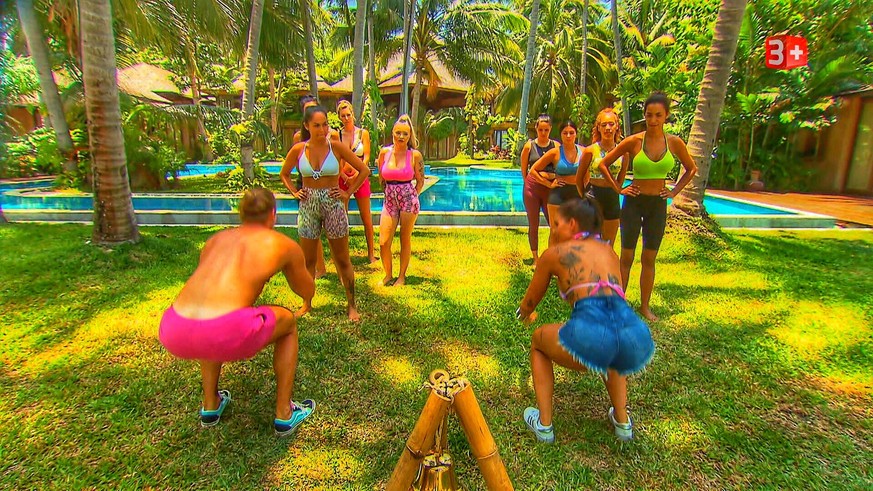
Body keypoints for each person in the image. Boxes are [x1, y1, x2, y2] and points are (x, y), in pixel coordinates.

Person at [158, 188, 317, 436]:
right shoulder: (282, 245)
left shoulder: (215, 240)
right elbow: (306, 289)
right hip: (224, 330)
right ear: (273, 214)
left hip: (174, 326)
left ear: (241, 214)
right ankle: (285, 413)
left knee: (211, 321)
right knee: (287, 322)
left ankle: (211, 404)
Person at [517, 196, 655, 443]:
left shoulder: (554, 254)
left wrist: (524, 313)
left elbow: (530, 301)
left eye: (557, 224)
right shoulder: (609, 251)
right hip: (630, 338)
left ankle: (544, 425)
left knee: (538, 341)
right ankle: (622, 422)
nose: (554, 229)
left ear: (572, 224)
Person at [595, 93, 698, 321]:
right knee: (626, 257)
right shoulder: (634, 141)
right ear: (644, 115)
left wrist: (674, 192)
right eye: (649, 115)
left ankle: (644, 306)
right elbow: (603, 164)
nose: (653, 120)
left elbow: (691, 169)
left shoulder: (674, 143)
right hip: (634, 202)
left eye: (658, 115)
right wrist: (619, 188)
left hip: (657, 205)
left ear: (666, 116)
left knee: (649, 258)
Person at [280, 105, 370, 321]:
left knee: (343, 259)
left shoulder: (336, 147)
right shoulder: (299, 149)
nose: (322, 130)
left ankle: (352, 306)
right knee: (308, 261)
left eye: (325, 125)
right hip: (308, 206)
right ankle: (307, 303)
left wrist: (347, 192)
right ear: (307, 126)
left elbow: (364, 170)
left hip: (333, 205)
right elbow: (284, 174)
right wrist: (294, 192)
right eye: (316, 126)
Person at [291, 95, 339, 278]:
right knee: (312, 230)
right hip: (306, 185)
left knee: (335, 230)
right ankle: (320, 267)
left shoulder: (332, 136)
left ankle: (339, 268)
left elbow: (340, 161)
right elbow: (293, 165)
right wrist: (296, 190)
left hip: (330, 185)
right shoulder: (298, 139)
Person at [378, 114, 425, 286]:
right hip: (389, 199)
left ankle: (401, 276)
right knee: (384, 242)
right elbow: (381, 178)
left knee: (405, 238)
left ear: (409, 135)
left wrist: (412, 197)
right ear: (393, 132)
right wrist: (389, 193)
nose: (401, 136)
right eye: (398, 132)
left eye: (405, 133)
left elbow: (420, 181)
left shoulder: (414, 155)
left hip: (408, 199)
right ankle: (388, 274)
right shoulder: (385, 153)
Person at [576, 109, 630, 246]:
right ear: (598, 128)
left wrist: (617, 189)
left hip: (612, 198)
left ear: (617, 126)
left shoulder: (623, 153)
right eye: (604, 125)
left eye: (611, 124)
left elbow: (620, 180)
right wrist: (584, 196)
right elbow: (579, 178)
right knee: (590, 244)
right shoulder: (590, 151)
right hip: (592, 196)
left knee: (608, 244)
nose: (608, 128)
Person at [529, 120, 585, 247]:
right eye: (565, 133)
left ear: (576, 134)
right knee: (555, 231)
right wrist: (548, 184)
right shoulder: (555, 152)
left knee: (576, 231)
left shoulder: (584, 151)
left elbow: (588, 172)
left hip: (577, 194)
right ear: (561, 135)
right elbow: (533, 170)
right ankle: (552, 258)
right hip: (558, 195)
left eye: (571, 132)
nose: (568, 136)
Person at [336, 100, 376, 264]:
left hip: (360, 178)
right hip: (342, 178)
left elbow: (366, 156)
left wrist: (358, 175)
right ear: (339, 117)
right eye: (343, 116)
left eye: (348, 115)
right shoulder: (337, 135)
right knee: (342, 218)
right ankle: (344, 255)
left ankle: (371, 254)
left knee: (366, 218)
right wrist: (344, 176)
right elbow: (336, 159)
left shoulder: (363, 133)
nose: (346, 118)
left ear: (353, 114)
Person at [519, 114, 557, 265]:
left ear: (550, 129)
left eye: (546, 130)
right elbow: (524, 171)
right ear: (536, 129)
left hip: (550, 189)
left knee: (554, 224)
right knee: (533, 224)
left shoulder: (555, 146)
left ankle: (552, 255)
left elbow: (560, 169)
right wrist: (532, 182)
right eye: (540, 129)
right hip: (532, 190)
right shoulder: (529, 146)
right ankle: (536, 258)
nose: (543, 133)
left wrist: (549, 176)